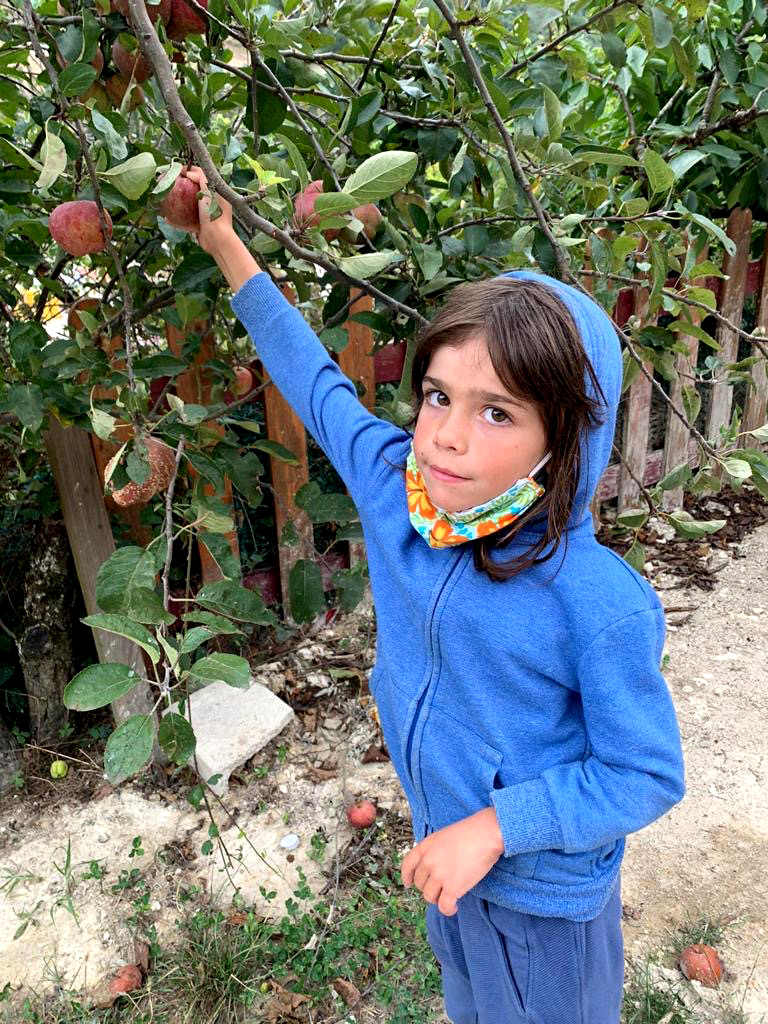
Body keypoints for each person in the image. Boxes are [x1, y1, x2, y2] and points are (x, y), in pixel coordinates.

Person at [184, 166, 686, 1024]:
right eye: (440, 396)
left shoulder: (596, 603)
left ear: (563, 443)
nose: (448, 435)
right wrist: (226, 245)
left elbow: (644, 773)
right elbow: (317, 386)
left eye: (498, 413)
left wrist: (494, 828)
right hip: (447, 858)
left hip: (540, 896)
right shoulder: (401, 493)